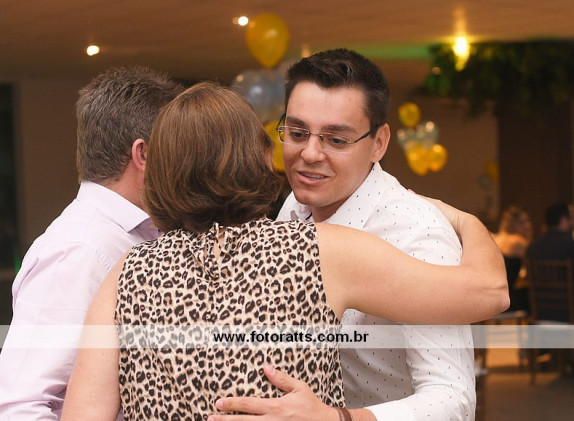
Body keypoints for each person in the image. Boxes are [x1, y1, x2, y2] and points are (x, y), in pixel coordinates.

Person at [61, 82, 508, 421]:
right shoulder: (320, 250)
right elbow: (488, 292)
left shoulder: (126, 274)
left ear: (159, 172)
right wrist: (466, 221)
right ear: (259, 159)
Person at [216, 48, 480, 421]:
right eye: (297, 133)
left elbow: (454, 399)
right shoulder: (295, 206)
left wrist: (340, 418)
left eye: (336, 140)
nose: (309, 154)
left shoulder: (416, 233)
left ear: (379, 143)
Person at [0, 66, 183, 419]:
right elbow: (20, 405)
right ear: (143, 155)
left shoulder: (134, 235)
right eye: (176, 148)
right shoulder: (78, 251)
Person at [526, 202, 574, 322]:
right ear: (564, 219)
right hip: (571, 315)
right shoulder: (573, 246)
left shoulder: (532, 248)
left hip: (541, 313)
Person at [493, 206, 532, 312]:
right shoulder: (517, 242)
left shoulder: (497, 239)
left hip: (491, 297)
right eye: (522, 222)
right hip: (506, 299)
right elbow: (534, 270)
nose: (528, 226)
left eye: (528, 221)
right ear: (512, 224)